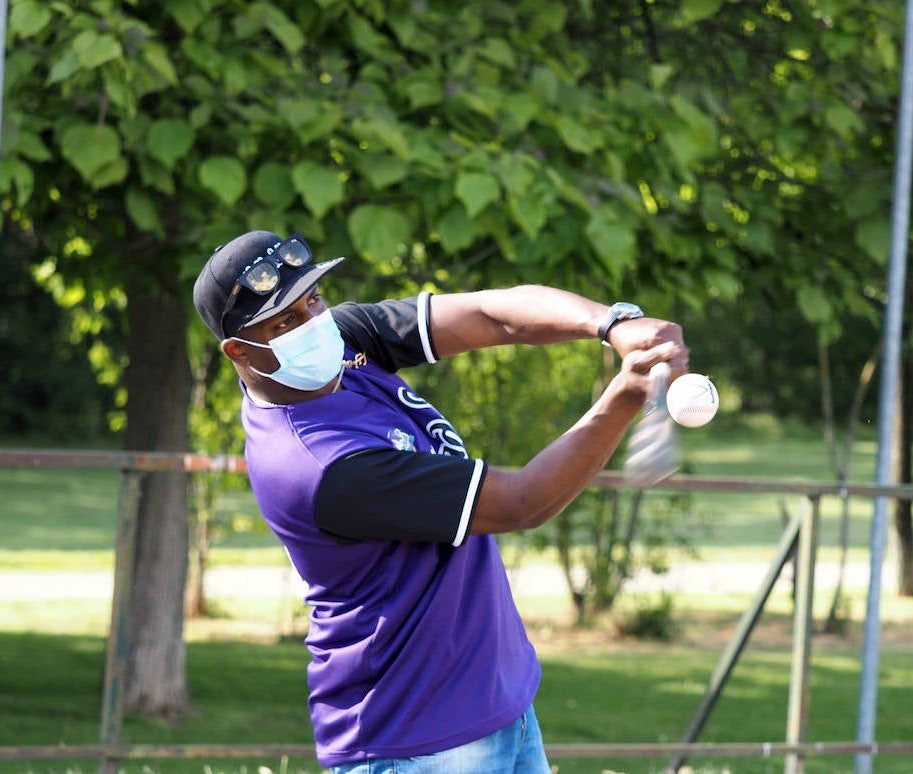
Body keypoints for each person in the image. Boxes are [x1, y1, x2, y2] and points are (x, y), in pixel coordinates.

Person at [192, 229, 689, 773]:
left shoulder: (344, 343)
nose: (313, 322)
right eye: (286, 320)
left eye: (313, 299)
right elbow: (522, 502)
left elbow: (487, 315)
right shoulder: (318, 463)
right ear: (239, 350)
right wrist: (624, 396)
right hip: (415, 741)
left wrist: (612, 323)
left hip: (496, 709)